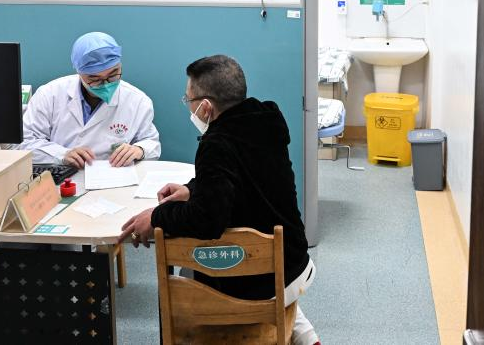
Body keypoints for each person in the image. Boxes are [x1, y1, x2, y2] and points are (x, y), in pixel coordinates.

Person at [118, 55, 319, 345]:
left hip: (261, 282)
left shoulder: (216, 143)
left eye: (188, 100)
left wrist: (156, 217)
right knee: (273, 286)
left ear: (206, 107)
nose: (188, 107)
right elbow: (242, 179)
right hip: (294, 262)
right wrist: (192, 189)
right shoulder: (266, 120)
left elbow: (207, 220)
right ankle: (307, 338)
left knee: (187, 271)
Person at [19, 32, 160, 167]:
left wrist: (140, 150)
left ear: (120, 65)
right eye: (95, 79)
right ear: (79, 72)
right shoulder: (50, 94)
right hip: (61, 174)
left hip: (112, 175)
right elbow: (22, 143)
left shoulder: (138, 101)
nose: (106, 85)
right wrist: (61, 155)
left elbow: (151, 143)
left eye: (113, 74)